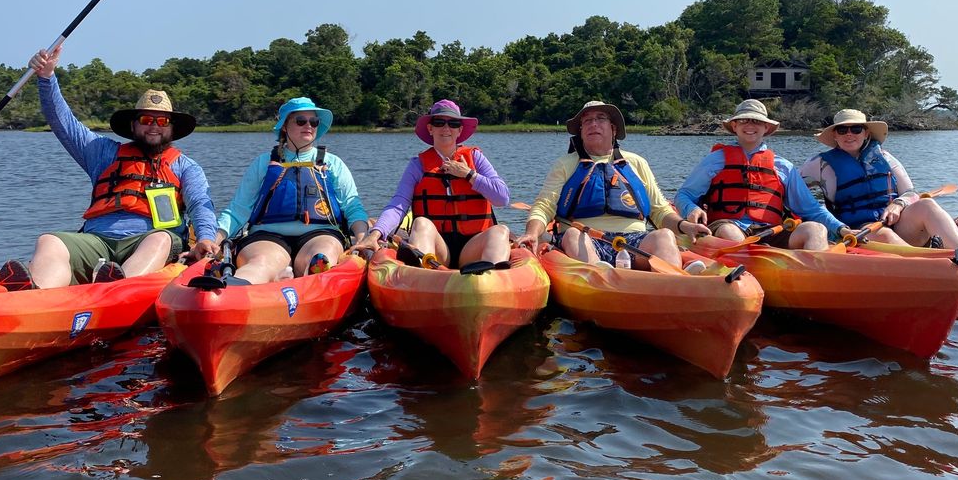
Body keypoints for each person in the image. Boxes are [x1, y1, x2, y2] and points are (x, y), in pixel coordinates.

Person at [0, 47, 220, 290]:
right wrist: (47, 77)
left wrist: (206, 238)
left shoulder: (186, 166)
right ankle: (35, 295)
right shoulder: (104, 153)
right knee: (49, 241)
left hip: (151, 241)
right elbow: (63, 123)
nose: (154, 126)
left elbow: (200, 204)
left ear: (172, 128)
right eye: (146, 120)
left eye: (162, 121)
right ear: (133, 125)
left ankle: (116, 289)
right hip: (97, 240)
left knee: (160, 239)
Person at [517, 100, 709, 268]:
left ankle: (673, 282)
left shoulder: (636, 163)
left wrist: (685, 227)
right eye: (587, 121)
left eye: (600, 118)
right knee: (573, 236)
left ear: (613, 129)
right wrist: (532, 233)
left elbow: (660, 211)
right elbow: (544, 206)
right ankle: (599, 281)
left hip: (634, 242)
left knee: (664, 236)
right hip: (586, 238)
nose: (593, 124)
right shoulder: (565, 164)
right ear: (581, 132)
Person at [213, 97, 369, 284]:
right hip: (267, 236)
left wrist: (361, 239)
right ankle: (238, 287)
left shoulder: (332, 163)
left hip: (321, 233)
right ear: (285, 126)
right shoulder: (263, 163)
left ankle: (307, 278)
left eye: (314, 122)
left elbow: (353, 207)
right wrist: (214, 241)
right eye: (301, 121)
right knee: (261, 262)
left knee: (321, 254)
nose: (309, 126)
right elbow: (238, 209)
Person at [352, 100, 512, 271]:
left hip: (472, 249)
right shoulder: (417, 165)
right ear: (430, 128)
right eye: (439, 122)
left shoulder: (476, 159)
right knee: (421, 223)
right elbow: (398, 205)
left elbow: (502, 198)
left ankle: (491, 281)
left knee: (500, 230)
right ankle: (426, 278)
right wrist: (376, 233)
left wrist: (469, 174)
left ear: (460, 130)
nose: (446, 128)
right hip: (437, 249)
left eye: (453, 123)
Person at [675, 99, 850, 251]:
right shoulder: (714, 161)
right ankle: (744, 277)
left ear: (766, 127)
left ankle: (815, 277)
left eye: (756, 121)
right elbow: (684, 195)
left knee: (816, 229)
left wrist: (841, 228)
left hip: (771, 231)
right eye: (744, 120)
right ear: (734, 126)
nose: (750, 126)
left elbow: (811, 208)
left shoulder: (783, 167)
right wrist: (692, 209)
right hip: (727, 228)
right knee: (730, 232)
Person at [799, 109, 958, 249]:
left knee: (926, 205)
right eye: (842, 130)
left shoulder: (884, 157)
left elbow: (911, 193)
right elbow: (800, 198)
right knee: (884, 234)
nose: (849, 134)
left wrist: (898, 204)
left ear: (866, 133)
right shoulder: (818, 165)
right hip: (859, 231)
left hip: (899, 225)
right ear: (835, 135)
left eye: (856, 129)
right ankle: (930, 263)